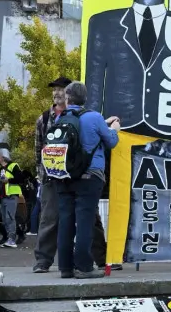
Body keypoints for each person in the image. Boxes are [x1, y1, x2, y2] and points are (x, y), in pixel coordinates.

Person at [56, 82, 118, 279]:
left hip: (64, 176)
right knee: (85, 221)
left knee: (66, 220)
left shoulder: (60, 117)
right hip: (90, 176)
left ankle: (65, 267)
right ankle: (84, 267)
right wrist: (114, 128)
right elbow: (111, 142)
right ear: (85, 98)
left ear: (68, 98)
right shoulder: (94, 117)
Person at [32, 78, 70, 273]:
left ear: (69, 93)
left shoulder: (77, 115)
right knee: (48, 219)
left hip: (74, 176)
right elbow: (38, 148)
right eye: (54, 90)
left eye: (60, 90)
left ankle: (101, 258)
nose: (56, 93)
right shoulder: (44, 118)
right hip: (51, 177)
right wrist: (41, 175)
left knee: (87, 218)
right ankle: (43, 261)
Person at [0, 148, 27, 249]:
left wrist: (8, 180)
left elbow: (21, 179)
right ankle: (9, 238)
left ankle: (12, 239)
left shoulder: (14, 166)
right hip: (1, 198)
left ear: (2, 157)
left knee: (10, 218)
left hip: (11, 196)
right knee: (5, 219)